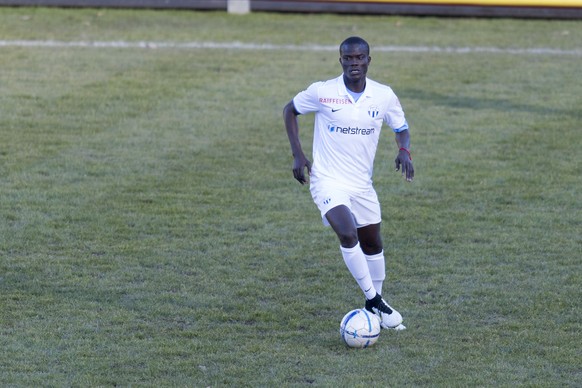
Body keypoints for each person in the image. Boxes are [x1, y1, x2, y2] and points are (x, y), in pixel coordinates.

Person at [283, 36, 414, 330]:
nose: (354, 63)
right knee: (347, 234)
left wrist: (403, 151)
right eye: (348, 58)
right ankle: (373, 301)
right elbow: (289, 110)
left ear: (369, 60)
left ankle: (377, 303)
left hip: (362, 186)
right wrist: (298, 154)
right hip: (327, 180)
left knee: (373, 244)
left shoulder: (383, 95)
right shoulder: (323, 91)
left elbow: (401, 128)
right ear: (340, 60)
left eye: (360, 58)